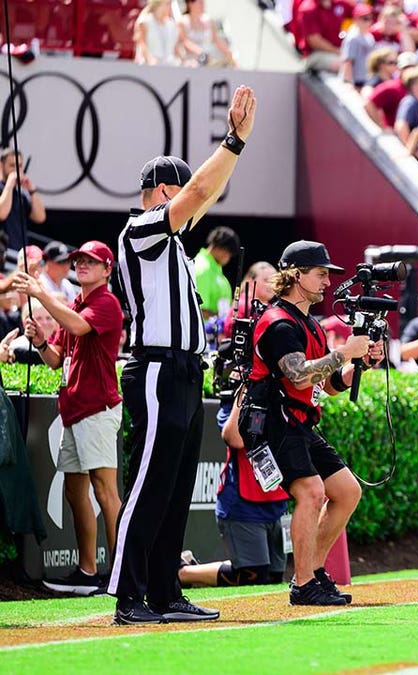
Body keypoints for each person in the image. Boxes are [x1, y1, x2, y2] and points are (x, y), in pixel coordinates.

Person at [108, 86, 256, 626]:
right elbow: (198, 192)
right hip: (156, 367)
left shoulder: (171, 242)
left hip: (186, 370)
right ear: (162, 191)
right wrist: (235, 139)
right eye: (178, 190)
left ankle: (166, 591)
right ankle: (129, 595)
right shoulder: (142, 229)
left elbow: (205, 192)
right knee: (150, 482)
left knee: (170, 488)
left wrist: (234, 152)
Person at [243, 241, 384, 605]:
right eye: (321, 273)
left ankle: (312, 572)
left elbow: (328, 386)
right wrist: (343, 352)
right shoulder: (278, 323)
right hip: (272, 418)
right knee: (310, 492)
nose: (326, 282)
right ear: (295, 275)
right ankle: (303, 584)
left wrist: (359, 365)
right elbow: (299, 377)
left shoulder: (310, 325)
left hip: (299, 421)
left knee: (347, 492)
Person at [12, 242, 123, 596]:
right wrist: (42, 340)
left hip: (97, 409)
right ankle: (88, 571)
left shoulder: (106, 302)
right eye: (79, 260)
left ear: (107, 269)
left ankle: (122, 572)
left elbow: (77, 327)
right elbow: (57, 359)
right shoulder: (76, 302)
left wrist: (40, 292)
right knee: (77, 492)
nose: (83, 264)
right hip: (74, 410)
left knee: (105, 492)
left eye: (92, 261)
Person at [179, 385, 288, 588]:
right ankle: (182, 573)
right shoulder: (231, 405)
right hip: (242, 502)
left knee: (273, 577)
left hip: (277, 500)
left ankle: (191, 569)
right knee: (253, 575)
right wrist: (248, 389)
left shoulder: (282, 398)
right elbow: (235, 438)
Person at [0, 148, 46, 250]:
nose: (17, 170)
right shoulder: (4, 188)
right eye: (12, 166)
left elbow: (40, 217)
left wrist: (32, 190)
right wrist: (9, 184)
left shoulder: (21, 194)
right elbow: (2, 214)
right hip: (3, 255)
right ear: (1, 166)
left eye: (20, 166)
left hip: (19, 254)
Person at [194, 226, 240, 320]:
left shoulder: (216, 268)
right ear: (220, 247)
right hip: (205, 332)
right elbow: (199, 309)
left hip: (217, 331)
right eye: (229, 253)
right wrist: (222, 319)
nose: (228, 258)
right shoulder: (202, 268)